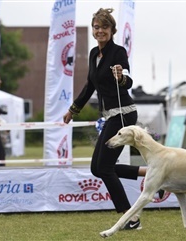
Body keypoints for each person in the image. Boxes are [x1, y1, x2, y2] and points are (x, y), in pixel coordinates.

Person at [63, 8, 147, 230]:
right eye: (97, 27)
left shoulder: (118, 52)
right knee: (97, 168)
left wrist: (121, 77)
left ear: (112, 30)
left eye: (104, 27)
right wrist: (74, 109)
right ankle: (147, 173)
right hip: (109, 116)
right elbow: (90, 85)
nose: (100, 31)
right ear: (93, 30)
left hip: (123, 113)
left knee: (105, 167)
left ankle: (131, 218)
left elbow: (127, 79)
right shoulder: (93, 54)